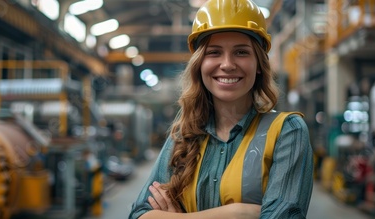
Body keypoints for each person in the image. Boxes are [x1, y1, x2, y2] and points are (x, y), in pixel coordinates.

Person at [128, 0, 313, 218]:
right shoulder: (183, 135)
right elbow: (139, 213)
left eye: (241, 52)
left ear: (259, 65)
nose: (227, 64)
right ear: (199, 64)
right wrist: (241, 213)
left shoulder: (287, 132)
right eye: (214, 52)